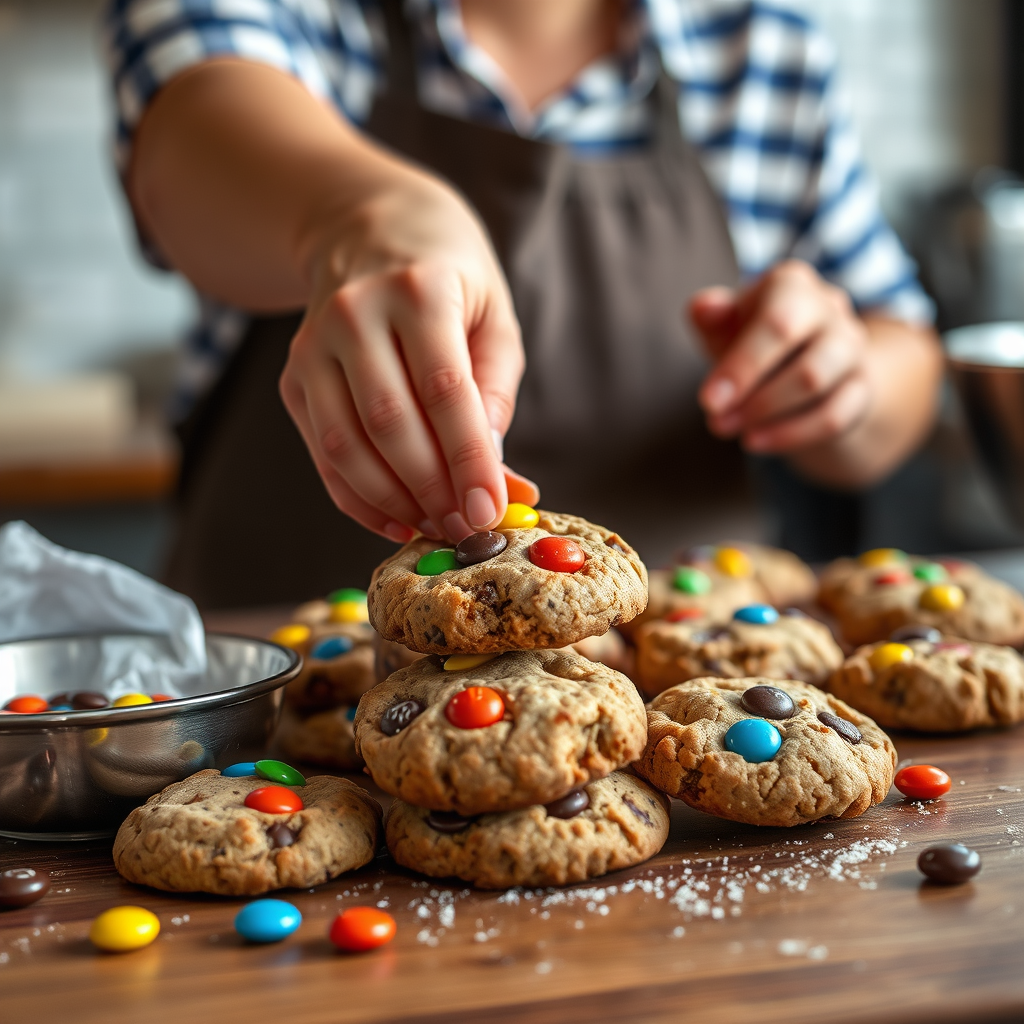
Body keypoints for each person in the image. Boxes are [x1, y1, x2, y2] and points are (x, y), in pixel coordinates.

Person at [104, 0, 942, 608]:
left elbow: (903, 346)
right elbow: (188, 137)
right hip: (277, 691)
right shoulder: (299, 17)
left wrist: (844, 383)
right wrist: (359, 218)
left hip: (681, 703)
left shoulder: (765, 46)